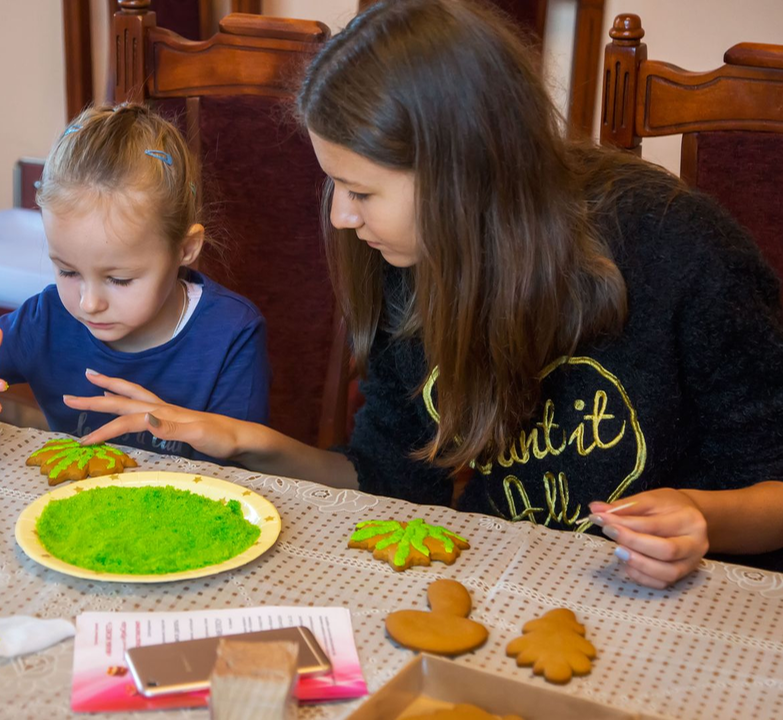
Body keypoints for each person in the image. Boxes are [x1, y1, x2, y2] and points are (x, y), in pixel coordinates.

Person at [63, 0, 783, 587]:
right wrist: (240, 440)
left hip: (692, 604)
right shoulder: (403, 255)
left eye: (362, 190)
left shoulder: (678, 247)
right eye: (335, 186)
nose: (343, 216)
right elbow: (389, 479)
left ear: (463, 172)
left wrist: (702, 518)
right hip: (513, 581)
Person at [0, 103, 270, 460]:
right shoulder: (48, 318)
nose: (89, 303)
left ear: (185, 248)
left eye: (119, 279)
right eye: (68, 271)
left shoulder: (230, 334)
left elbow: (246, 467)